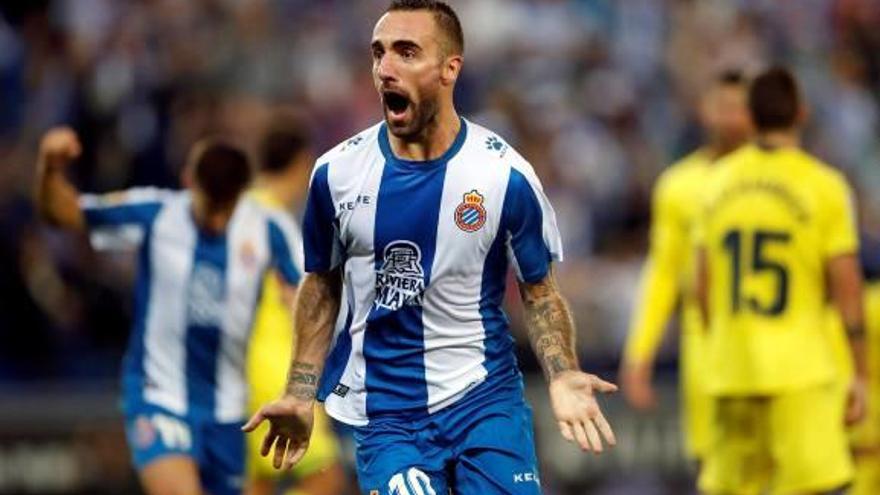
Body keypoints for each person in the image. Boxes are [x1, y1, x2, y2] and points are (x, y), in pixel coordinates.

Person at [243, 1, 618, 494]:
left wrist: (563, 374)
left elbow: (540, 291)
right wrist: (298, 392)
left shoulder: (503, 176)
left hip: (485, 404)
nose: (385, 69)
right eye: (379, 54)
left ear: (449, 68)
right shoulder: (336, 175)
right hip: (387, 416)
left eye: (406, 52)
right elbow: (321, 286)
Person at [34, 128, 303, 495]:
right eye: (212, 205)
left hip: (229, 410)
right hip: (160, 396)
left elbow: (309, 296)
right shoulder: (157, 214)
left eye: (229, 207)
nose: (219, 221)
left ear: (243, 194)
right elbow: (64, 214)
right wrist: (50, 167)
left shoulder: (270, 228)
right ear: (189, 182)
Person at [694, 67, 868, 494]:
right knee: (821, 486)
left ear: (751, 117)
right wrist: (860, 373)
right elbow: (847, 288)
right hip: (799, 369)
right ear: (802, 113)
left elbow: (702, 287)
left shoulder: (716, 183)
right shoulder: (824, 186)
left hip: (732, 369)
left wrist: (724, 343)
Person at [620, 70, 752, 462]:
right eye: (723, 106)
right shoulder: (679, 185)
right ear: (702, 110)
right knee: (716, 470)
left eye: (740, 108)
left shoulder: (782, 178)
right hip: (708, 350)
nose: (731, 117)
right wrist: (639, 353)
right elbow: (664, 274)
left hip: (779, 351)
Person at [245, 112, 345, 495]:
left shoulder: (240, 210)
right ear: (303, 163)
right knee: (325, 477)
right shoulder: (276, 222)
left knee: (259, 480)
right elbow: (299, 299)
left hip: (241, 366)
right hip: (276, 365)